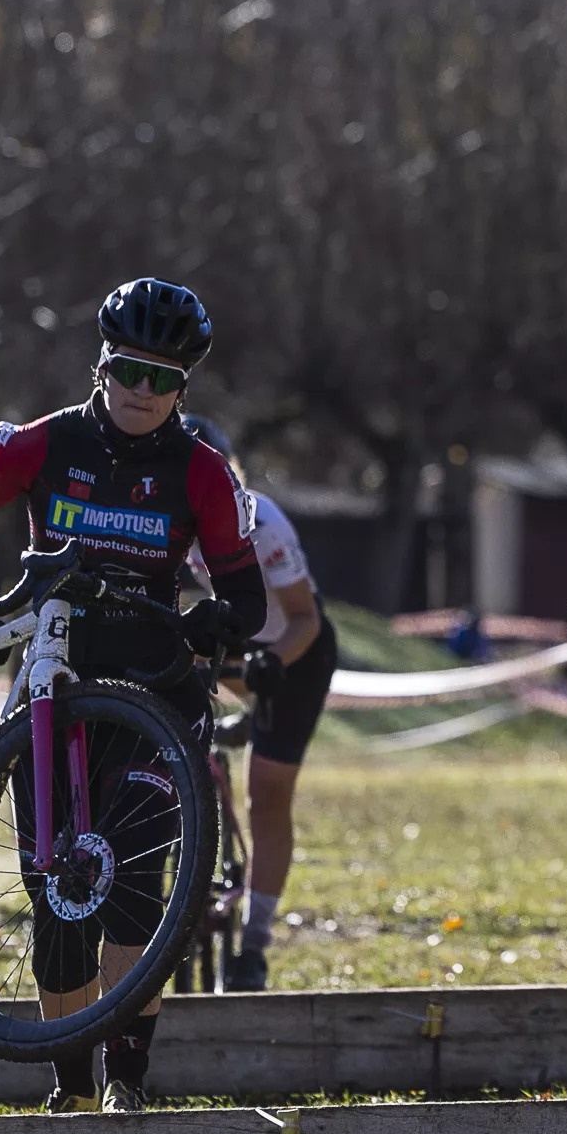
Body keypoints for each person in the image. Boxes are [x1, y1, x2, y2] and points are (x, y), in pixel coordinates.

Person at [0, 278, 266, 1111]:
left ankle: (129, 1082)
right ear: (100, 367)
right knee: (58, 899)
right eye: (127, 371)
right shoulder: (48, 444)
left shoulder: (202, 473)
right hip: (54, 688)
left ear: (185, 385)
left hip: (153, 699)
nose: (142, 393)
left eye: (163, 378)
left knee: (135, 894)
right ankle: (69, 1084)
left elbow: (246, 600)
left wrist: (204, 625)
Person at [184, 417, 339, 994]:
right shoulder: (166, 517)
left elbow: (305, 618)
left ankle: (254, 944)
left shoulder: (264, 523)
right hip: (229, 636)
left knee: (267, 795)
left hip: (294, 647)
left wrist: (268, 668)